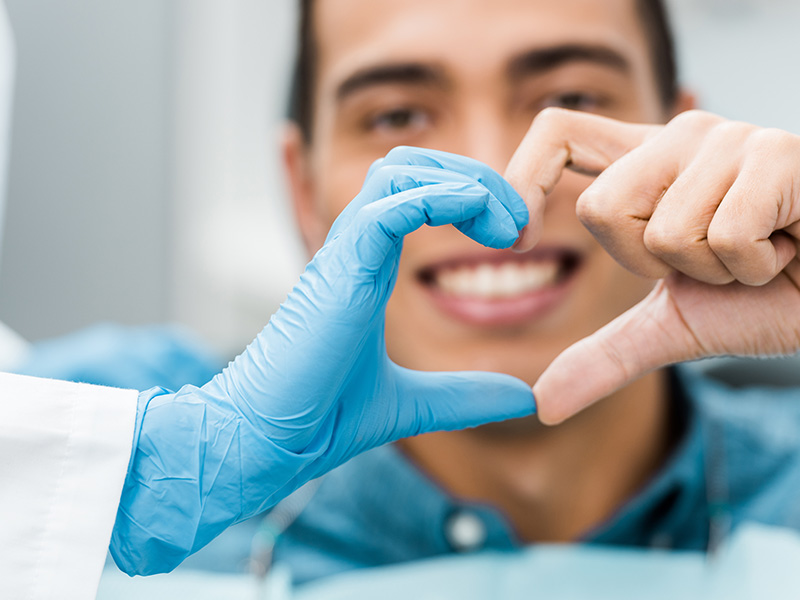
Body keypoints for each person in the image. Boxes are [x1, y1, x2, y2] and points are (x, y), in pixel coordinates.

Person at [270, 0, 800, 585]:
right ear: (303, 189)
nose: (495, 185)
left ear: (681, 150)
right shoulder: (170, 498)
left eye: (572, 100)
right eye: (396, 118)